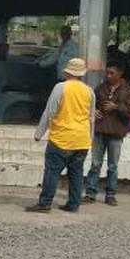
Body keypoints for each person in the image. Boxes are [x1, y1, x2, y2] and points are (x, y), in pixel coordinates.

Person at [26, 57, 95, 213]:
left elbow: (49, 112)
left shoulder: (60, 88)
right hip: (82, 140)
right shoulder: (89, 91)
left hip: (61, 138)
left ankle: (45, 203)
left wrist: (39, 133)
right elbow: (91, 117)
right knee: (76, 173)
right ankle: (74, 204)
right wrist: (90, 138)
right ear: (82, 74)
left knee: (52, 171)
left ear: (67, 72)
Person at [84, 59, 130, 206]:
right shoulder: (100, 88)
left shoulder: (128, 91)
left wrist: (116, 107)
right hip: (100, 130)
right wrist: (93, 111)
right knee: (95, 164)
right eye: (107, 73)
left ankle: (110, 195)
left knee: (112, 166)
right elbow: (89, 104)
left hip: (116, 132)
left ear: (120, 74)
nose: (108, 75)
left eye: (111, 73)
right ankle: (90, 193)